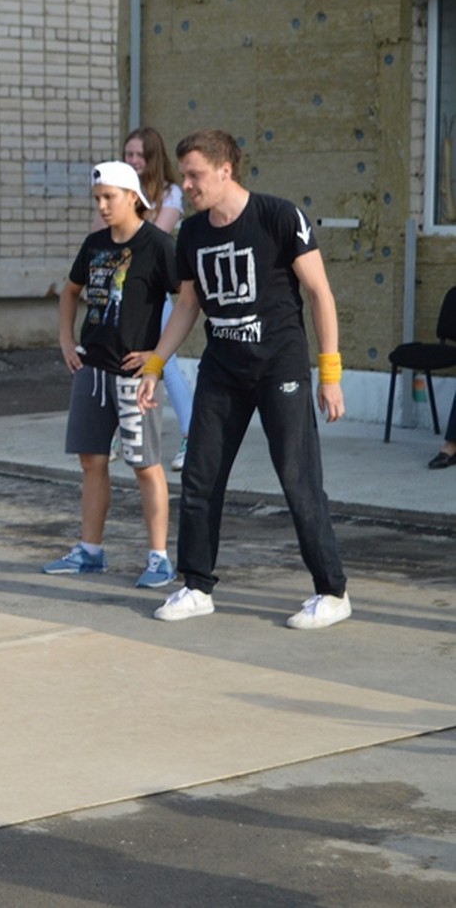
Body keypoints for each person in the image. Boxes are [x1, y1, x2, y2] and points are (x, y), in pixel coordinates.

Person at [134, 129, 350, 629]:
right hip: (223, 370)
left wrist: (330, 373)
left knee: (298, 479)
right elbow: (188, 305)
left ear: (225, 170)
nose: (187, 185)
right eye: (184, 176)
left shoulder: (279, 216)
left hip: (280, 367)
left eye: (195, 175)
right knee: (200, 477)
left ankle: (332, 591)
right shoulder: (192, 233)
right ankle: (196, 586)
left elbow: (320, 294)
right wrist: (156, 364)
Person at [44, 162, 178, 588]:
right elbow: (70, 292)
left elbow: (189, 301)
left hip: (135, 375)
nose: (102, 206)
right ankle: (90, 552)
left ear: (132, 197)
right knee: (91, 461)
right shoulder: (95, 244)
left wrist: (158, 356)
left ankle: (159, 558)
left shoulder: (158, 245)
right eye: (97, 198)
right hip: (92, 370)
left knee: (145, 465)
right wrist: (67, 341)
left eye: (109, 197)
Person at [123, 127, 193, 471]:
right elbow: (98, 237)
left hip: (155, 289)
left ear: (153, 158)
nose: (134, 161)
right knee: (122, 359)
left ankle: (192, 434)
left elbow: (153, 238)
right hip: (122, 290)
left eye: (141, 155)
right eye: (129, 154)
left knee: (166, 361)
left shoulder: (170, 193)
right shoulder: (119, 192)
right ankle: (119, 432)